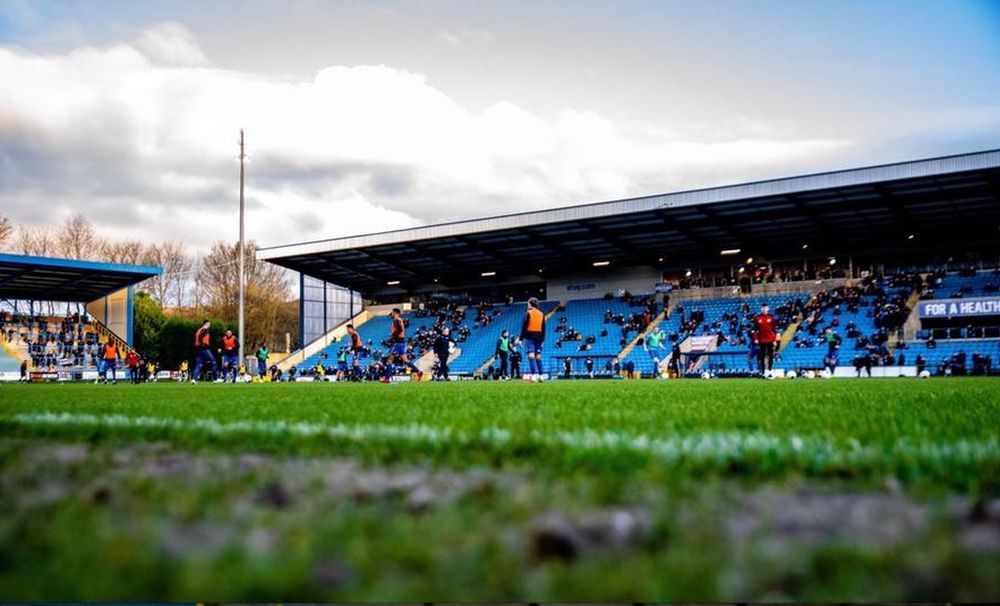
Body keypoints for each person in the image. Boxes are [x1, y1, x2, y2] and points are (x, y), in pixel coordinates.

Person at [383, 308, 422, 383]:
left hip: (397, 342)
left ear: (395, 313)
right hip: (401, 342)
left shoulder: (397, 320)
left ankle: (387, 378)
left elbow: (400, 330)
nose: (392, 314)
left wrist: (392, 337)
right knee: (405, 360)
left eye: (392, 313)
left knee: (389, 360)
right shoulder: (399, 320)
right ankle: (418, 372)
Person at [520, 297, 546, 381]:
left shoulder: (528, 313)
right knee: (538, 356)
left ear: (530, 304)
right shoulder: (541, 314)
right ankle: (541, 375)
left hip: (529, 336)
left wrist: (521, 338)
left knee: (531, 356)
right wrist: (543, 340)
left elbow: (524, 326)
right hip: (539, 337)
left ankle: (534, 375)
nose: (527, 305)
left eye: (528, 303)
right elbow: (543, 328)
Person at [752, 303, 779, 377]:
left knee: (771, 355)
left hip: (770, 339)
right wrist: (756, 339)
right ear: (761, 309)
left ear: (768, 309)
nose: (764, 309)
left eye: (766, 308)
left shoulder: (771, 317)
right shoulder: (757, 318)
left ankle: (770, 370)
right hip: (761, 340)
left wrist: (774, 340)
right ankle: (763, 371)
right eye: (763, 308)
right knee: (762, 356)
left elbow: (774, 330)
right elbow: (755, 329)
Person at [191, 320, 216, 384]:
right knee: (213, 362)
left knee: (198, 365)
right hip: (204, 348)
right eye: (209, 324)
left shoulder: (199, 330)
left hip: (198, 349)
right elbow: (200, 336)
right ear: (206, 324)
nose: (209, 325)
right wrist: (202, 343)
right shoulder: (204, 329)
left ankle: (194, 379)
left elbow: (197, 338)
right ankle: (215, 379)